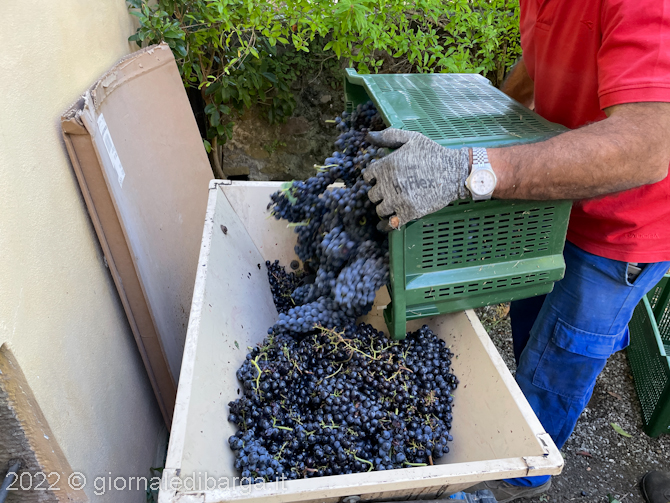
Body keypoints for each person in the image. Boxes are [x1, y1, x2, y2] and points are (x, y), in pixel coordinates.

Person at [364, 1, 670, 501]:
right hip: (548, 199)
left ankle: (518, 477)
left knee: (561, 357)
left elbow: (648, 148)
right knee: (532, 327)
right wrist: (478, 127)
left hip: (622, 228)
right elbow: (539, 55)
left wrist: (474, 167)